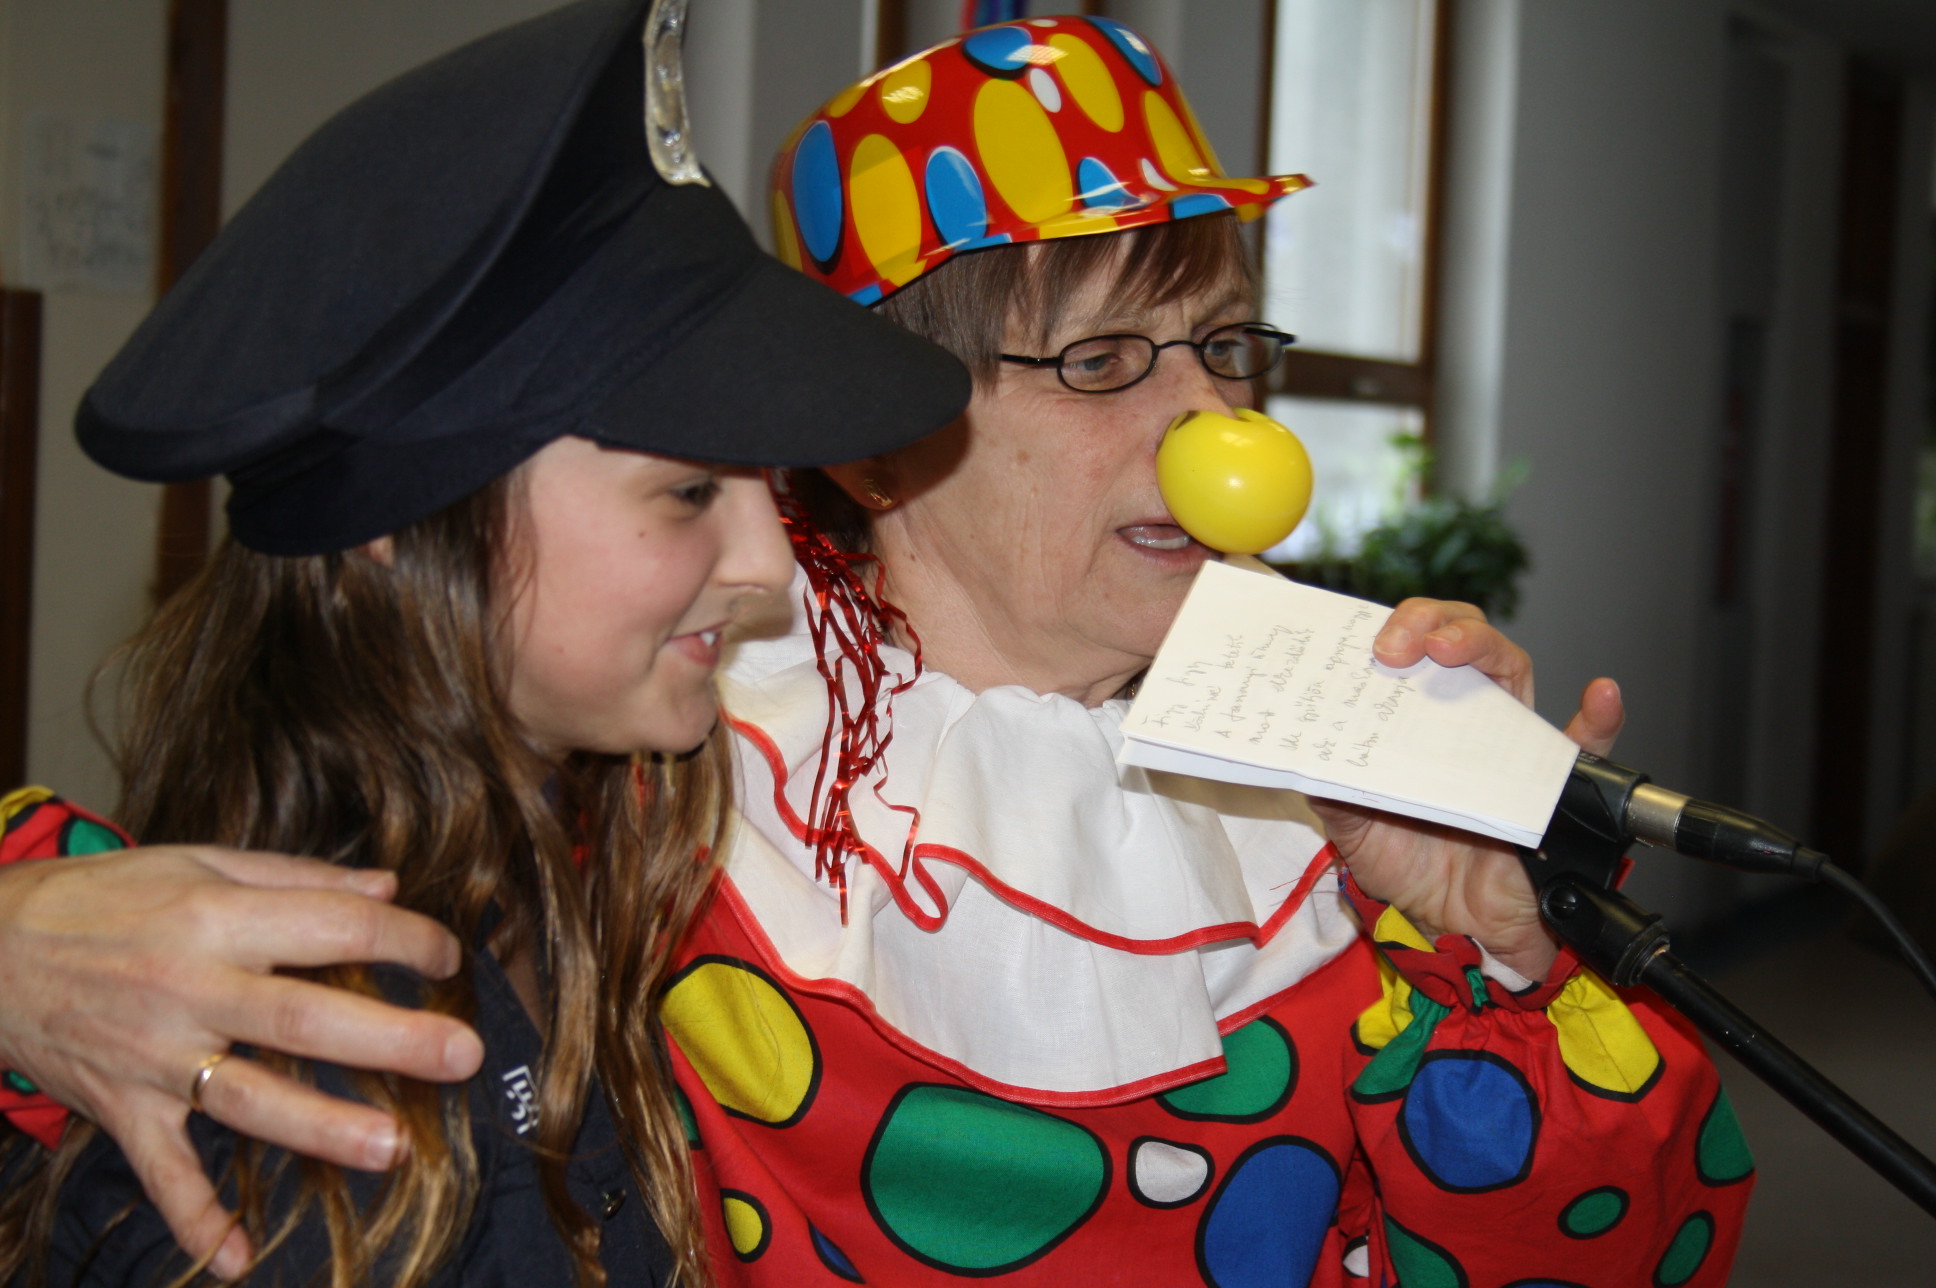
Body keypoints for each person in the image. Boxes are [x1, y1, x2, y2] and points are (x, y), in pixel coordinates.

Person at [0, 14, 1752, 1288]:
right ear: (878, 433)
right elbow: (238, 891)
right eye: (1102, 360)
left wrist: (1495, 950)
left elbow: (1596, 1249)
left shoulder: (1344, 779)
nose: (1216, 428)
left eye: (1227, 347)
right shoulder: (675, 753)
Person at [0, 1, 966, 1284]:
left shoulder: (550, 882)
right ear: (407, 521)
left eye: (767, 488)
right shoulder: (313, 1085)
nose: (770, 562)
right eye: (688, 490)